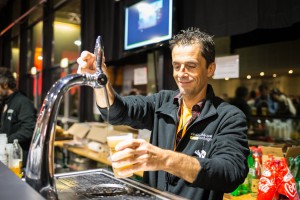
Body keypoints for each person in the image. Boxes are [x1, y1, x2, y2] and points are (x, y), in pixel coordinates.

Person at [77, 27, 249, 200]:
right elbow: (115, 113)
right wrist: (100, 82)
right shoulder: (162, 102)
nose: (182, 73)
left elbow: (230, 173)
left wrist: (163, 159)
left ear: (210, 69)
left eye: (191, 66)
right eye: (176, 66)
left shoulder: (228, 117)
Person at [0, 67, 36, 168]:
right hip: (7, 158)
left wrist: (5, 140)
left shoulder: (22, 102)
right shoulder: (5, 102)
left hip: (19, 161)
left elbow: (29, 129)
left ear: (5, 84)